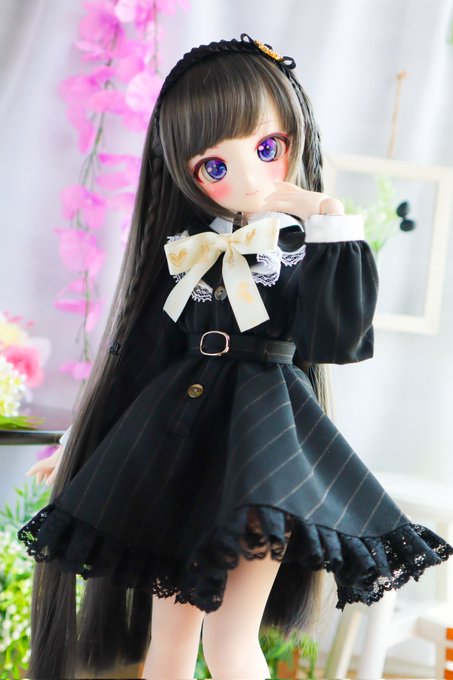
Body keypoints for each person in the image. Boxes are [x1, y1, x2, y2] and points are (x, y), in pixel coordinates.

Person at [18, 34, 452, 680]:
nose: (246, 178)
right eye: (213, 167)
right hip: (176, 448)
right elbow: (138, 357)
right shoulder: (187, 253)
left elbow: (339, 340)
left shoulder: (302, 251)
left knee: (230, 641)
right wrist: (81, 443)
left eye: (267, 149)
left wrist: (329, 218)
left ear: (295, 140)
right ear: (184, 173)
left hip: (263, 452)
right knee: (168, 641)